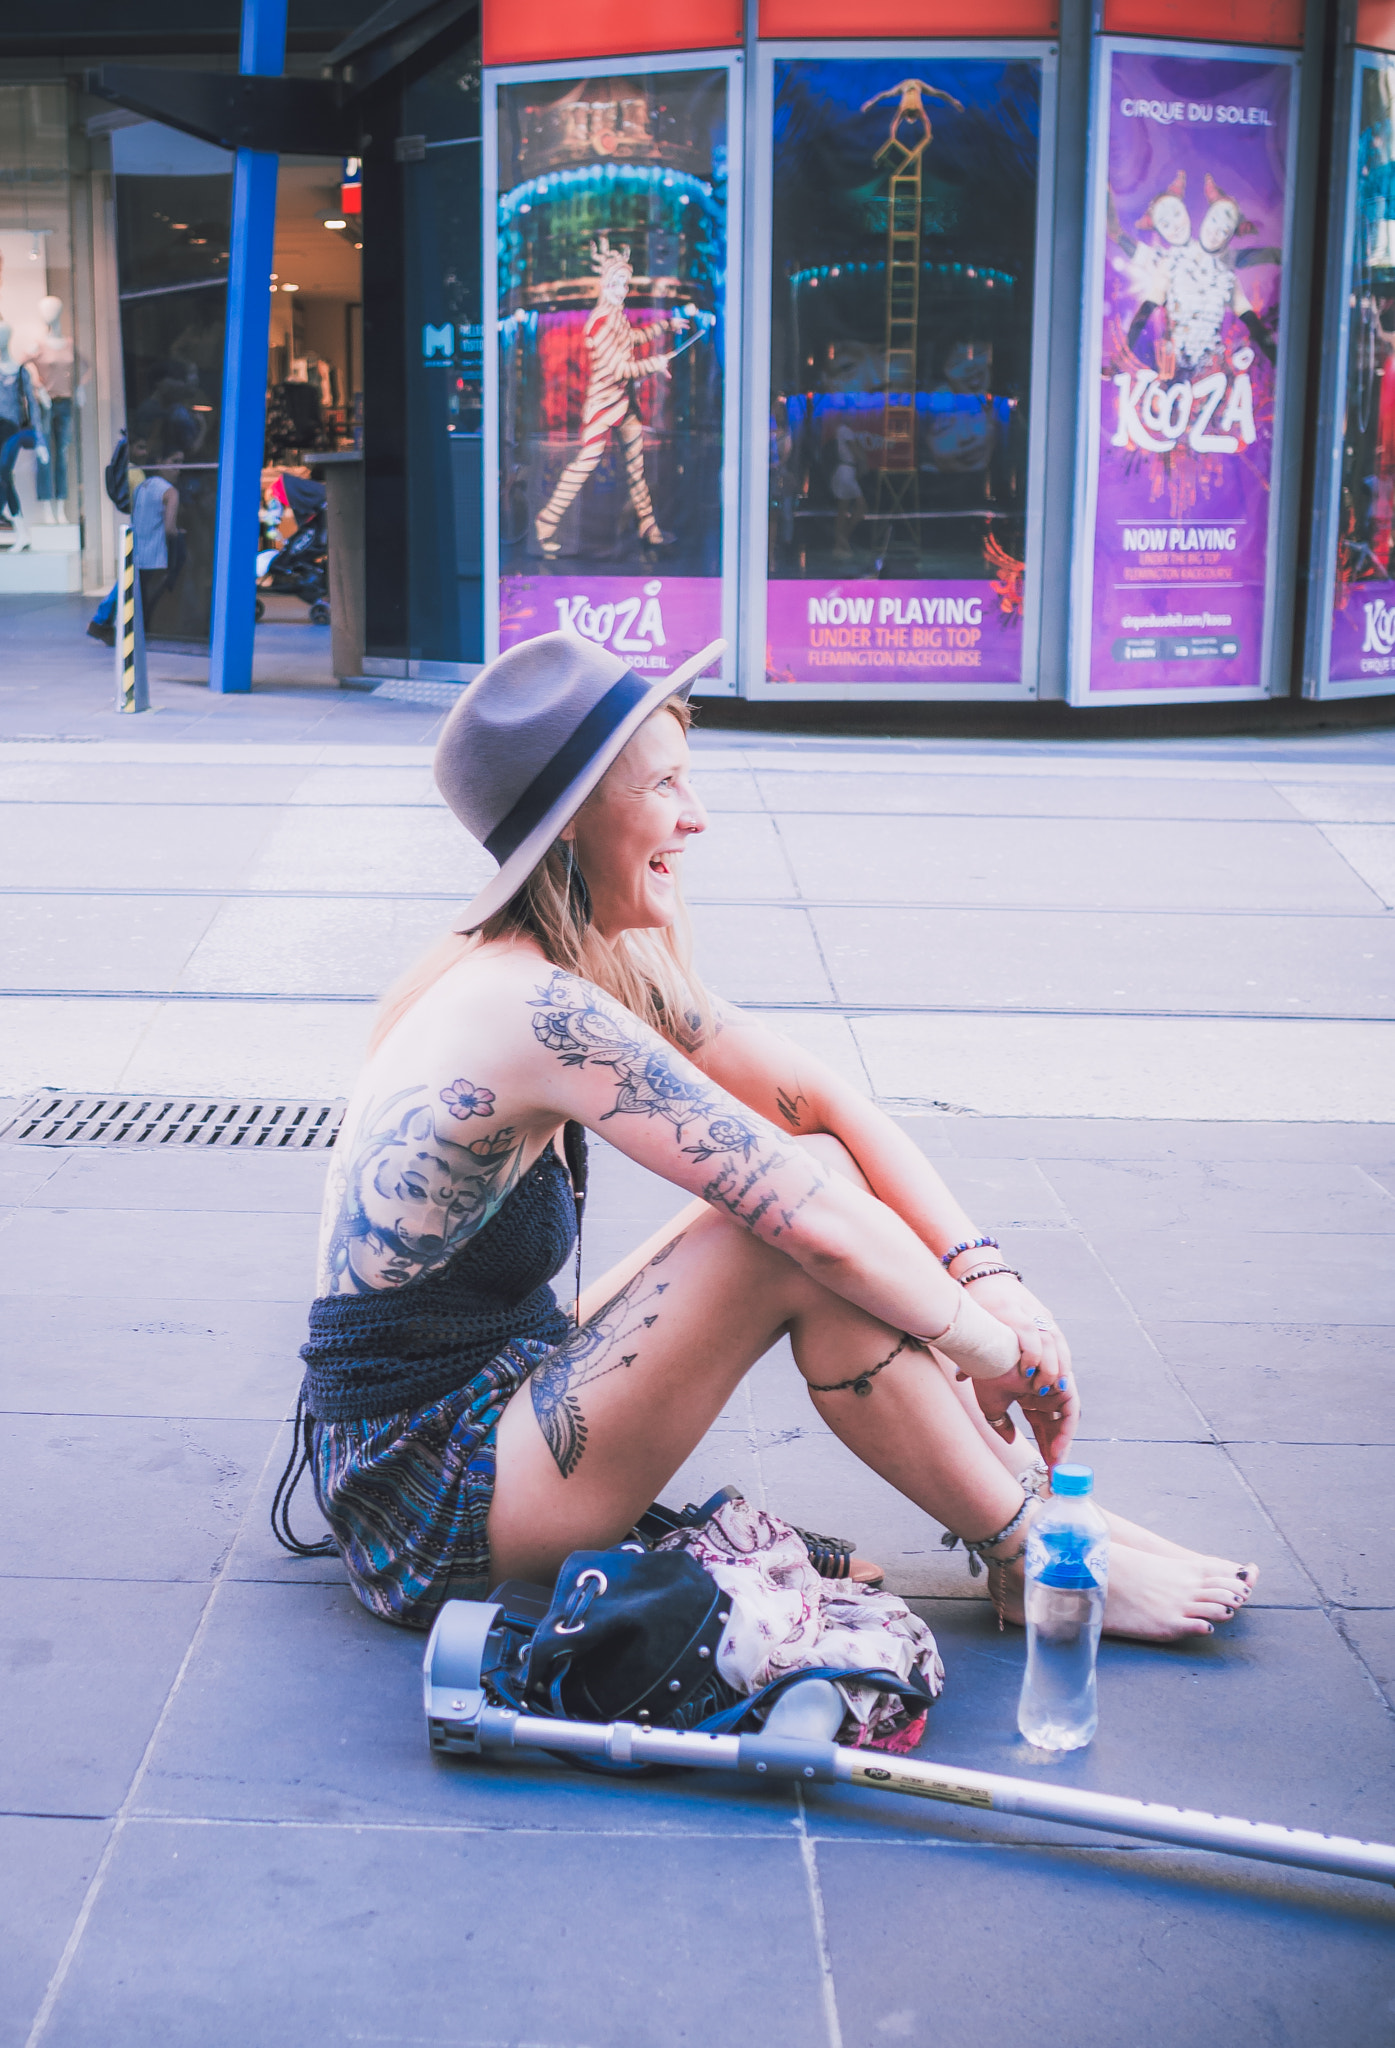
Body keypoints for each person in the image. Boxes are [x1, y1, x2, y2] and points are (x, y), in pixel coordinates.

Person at [293, 631, 1257, 1643]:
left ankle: (1048, 1521)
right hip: (429, 1496)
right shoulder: (527, 1005)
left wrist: (988, 1280)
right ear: (574, 821)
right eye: (666, 784)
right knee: (782, 1237)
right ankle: (1031, 1547)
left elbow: (824, 1105)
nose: (696, 818)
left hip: (497, 1402)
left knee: (818, 1183)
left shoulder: (576, 962)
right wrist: (993, 1352)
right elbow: (815, 1229)